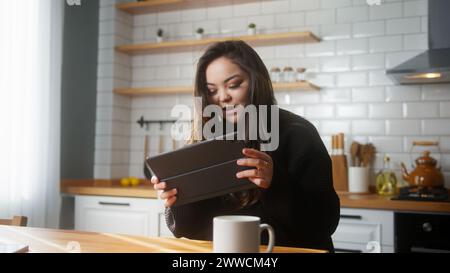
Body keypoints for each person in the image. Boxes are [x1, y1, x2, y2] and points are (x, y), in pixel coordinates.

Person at [151, 40, 340, 251]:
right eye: (212, 90)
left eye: (233, 85)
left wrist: (275, 182)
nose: (223, 97)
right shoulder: (206, 138)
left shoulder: (298, 133)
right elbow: (185, 229)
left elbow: (325, 223)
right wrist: (177, 199)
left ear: (256, 81)